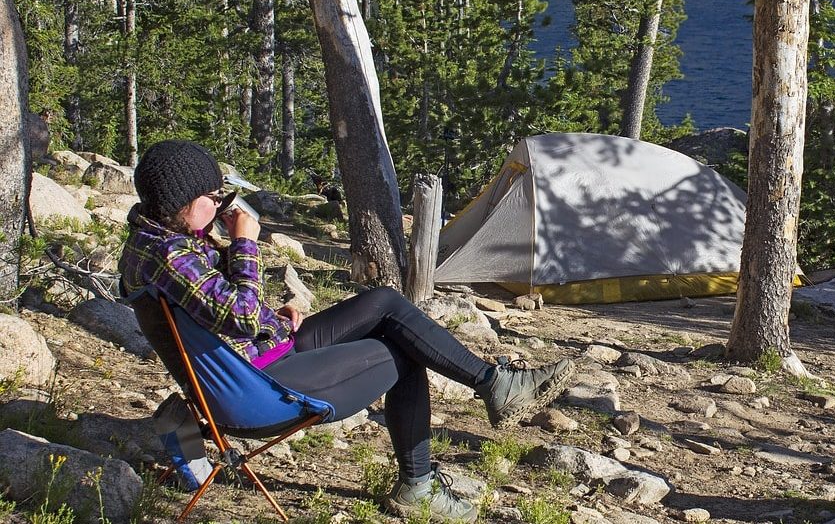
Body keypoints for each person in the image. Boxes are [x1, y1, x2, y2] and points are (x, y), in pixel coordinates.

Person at [119, 140, 574, 522]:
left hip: (255, 357)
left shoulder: (160, 241)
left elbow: (224, 312)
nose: (221, 205)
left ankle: (494, 383)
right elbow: (238, 313)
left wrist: (272, 318)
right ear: (182, 201)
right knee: (402, 352)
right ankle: (420, 484)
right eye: (214, 197)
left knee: (386, 304)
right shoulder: (168, 256)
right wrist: (245, 242)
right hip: (251, 389)